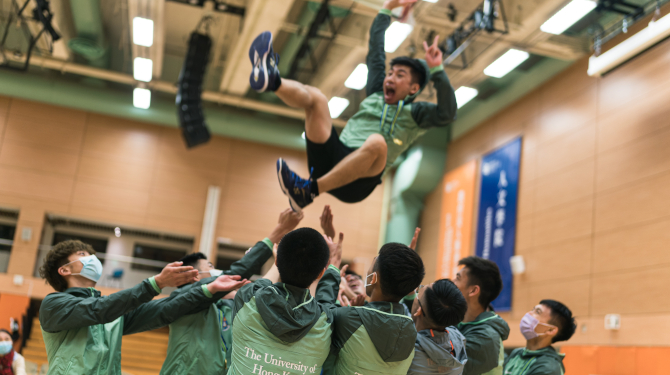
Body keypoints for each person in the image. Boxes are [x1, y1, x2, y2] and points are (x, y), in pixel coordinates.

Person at [248, 0, 457, 211]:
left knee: (377, 142)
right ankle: (272, 80)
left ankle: (308, 190)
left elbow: (448, 112)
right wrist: (386, 8)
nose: (390, 78)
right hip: (333, 159)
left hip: (359, 183)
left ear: (413, 89)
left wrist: (438, 70)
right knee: (317, 98)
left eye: (400, 75)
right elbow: (376, 48)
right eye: (390, 73)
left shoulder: (417, 113)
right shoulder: (377, 90)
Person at [38, 240, 248, 375]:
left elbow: (164, 309)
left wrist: (208, 290)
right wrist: (155, 283)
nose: (92, 258)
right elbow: (98, 310)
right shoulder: (54, 304)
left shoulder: (114, 313)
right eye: (83, 254)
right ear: (64, 270)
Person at [160, 208, 304, 375]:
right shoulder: (181, 298)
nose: (216, 271)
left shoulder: (225, 306)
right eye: (210, 266)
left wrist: (278, 263)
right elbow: (236, 274)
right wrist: (280, 229)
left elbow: (258, 295)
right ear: (195, 275)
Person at [226, 227, 342, 375]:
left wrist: (280, 259)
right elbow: (327, 303)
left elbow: (262, 284)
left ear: (276, 261)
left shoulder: (247, 297)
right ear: (320, 274)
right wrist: (333, 268)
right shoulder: (327, 321)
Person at [322, 242, 425, 375]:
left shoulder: (349, 318)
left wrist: (332, 268)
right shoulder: (413, 330)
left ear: (373, 277)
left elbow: (322, 313)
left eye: (370, 268)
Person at [453, 256, 510, 375]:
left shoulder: (486, 337)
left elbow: (437, 363)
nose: (452, 282)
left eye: (457, 278)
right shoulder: (457, 318)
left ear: (473, 291)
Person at [408, 279, 468, 375]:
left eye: (419, 290)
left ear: (419, 310)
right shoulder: (459, 339)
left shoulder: (407, 349)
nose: (417, 292)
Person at [504, 300, 576, 375]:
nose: (528, 313)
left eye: (537, 312)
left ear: (550, 330)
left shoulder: (549, 368)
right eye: (532, 310)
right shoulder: (517, 353)